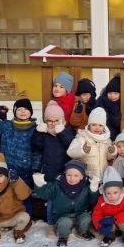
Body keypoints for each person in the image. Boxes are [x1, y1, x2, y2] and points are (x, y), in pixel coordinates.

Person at [31, 100, 75, 237]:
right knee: (51, 200)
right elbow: (37, 146)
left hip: (64, 173)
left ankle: (66, 223)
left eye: (56, 120)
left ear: (62, 120)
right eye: (49, 121)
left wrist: (61, 132)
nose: (53, 123)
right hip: (49, 173)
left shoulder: (67, 131)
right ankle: (50, 224)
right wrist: (39, 132)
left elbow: (70, 144)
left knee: (65, 199)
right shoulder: (43, 134)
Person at [0, 96, 39, 193]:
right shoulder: (7, 125)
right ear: (15, 112)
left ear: (30, 112)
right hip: (7, 171)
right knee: (8, 196)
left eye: (26, 109)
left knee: (24, 196)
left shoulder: (35, 130)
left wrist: (35, 169)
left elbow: (37, 152)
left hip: (26, 173)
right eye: (19, 109)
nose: (22, 111)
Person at [32, 160, 98, 246]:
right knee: (65, 223)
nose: (72, 178)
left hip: (80, 213)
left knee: (86, 218)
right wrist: (39, 184)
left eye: (76, 175)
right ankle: (63, 236)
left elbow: (93, 201)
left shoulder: (86, 185)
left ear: (82, 176)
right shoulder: (57, 185)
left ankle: (83, 232)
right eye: (69, 175)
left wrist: (94, 190)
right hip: (62, 215)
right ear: (65, 174)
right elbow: (45, 194)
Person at [67, 107, 117, 181]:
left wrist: (111, 152)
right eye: (94, 125)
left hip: (104, 176)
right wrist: (82, 150)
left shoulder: (106, 139)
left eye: (100, 125)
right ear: (89, 125)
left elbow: (108, 158)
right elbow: (70, 152)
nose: (97, 128)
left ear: (104, 127)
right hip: (88, 176)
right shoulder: (82, 137)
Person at [92, 166, 124, 247]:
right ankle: (109, 237)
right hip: (110, 224)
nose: (112, 196)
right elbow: (96, 214)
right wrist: (99, 226)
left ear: (121, 191)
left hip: (122, 222)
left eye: (115, 193)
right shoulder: (101, 200)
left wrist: (115, 218)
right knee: (106, 221)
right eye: (108, 193)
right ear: (104, 192)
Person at [95, 74, 121, 140]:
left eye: (115, 93)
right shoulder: (101, 101)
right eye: (110, 93)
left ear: (120, 94)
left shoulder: (121, 104)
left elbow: (116, 124)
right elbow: (94, 113)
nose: (112, 96)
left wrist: (114, 111)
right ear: (106, 92)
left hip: (114, 134)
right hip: (100, 131)